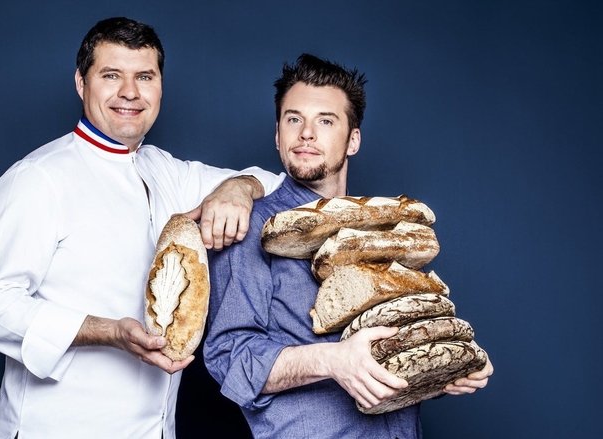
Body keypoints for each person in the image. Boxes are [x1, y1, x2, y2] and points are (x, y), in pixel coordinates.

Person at [0, 17, 282, 439]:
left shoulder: (164, 170)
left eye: (144, 76)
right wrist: (109, 332)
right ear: (81, 82)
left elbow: (277, 186)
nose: (130, 92)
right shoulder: (37, 179)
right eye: (112, 76)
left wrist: (239, 187)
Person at [203, 53, 494, 438]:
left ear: (353, 139)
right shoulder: (252, 228)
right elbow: (229, 356)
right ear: (277, 136)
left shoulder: (385, 230)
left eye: (325, 120)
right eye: (294, 119)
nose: (306, 133)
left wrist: (446, 367)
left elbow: (393, 346)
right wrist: (333, 361)